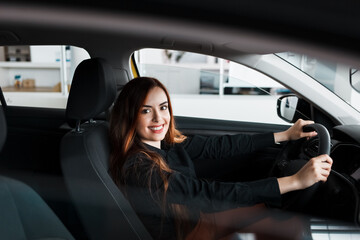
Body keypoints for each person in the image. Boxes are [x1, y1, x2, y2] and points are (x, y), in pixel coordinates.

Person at [109, 77, 333, 240]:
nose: (159, 118)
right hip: (186, 234)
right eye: (145, 111)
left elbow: (220, 146)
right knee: (289, 228)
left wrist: (285, 135)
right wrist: (294, 181)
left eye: (163, 107)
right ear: (130, 117)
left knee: (279, 216)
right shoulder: (139, 166)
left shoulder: (165, 145)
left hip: (196, 220)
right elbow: (208, 194)